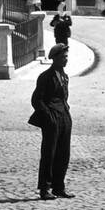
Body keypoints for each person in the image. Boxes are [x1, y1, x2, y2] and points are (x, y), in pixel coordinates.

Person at [31, 43, 73, 200]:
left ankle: (58, 187)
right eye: (62, 57)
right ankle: (44, 188)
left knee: (63, 154)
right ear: (54, 59)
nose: (65, 60)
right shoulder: (46, 77)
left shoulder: (65, 76)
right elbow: (36, 100)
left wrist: (66, 112)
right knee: (49, 153)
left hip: (64, 117)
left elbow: (64, 97)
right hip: (52, 118)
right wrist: (48, 116)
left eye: (66, 57)